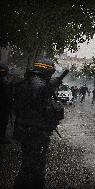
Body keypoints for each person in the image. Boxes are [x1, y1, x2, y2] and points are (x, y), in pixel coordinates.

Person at [13, 57, 66, 188]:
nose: (52, 75)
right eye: (51, 72)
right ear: (46, 71)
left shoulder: (27, 82)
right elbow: (40, 95)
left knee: (30, 166)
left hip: (28, 130)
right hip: (34, 132)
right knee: (32, 169)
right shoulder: (37, 84)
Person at [0, 63, 12, 143]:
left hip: (3, 105)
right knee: (3, 121)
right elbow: (8, 96)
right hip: (3, 106)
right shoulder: (5, 82)